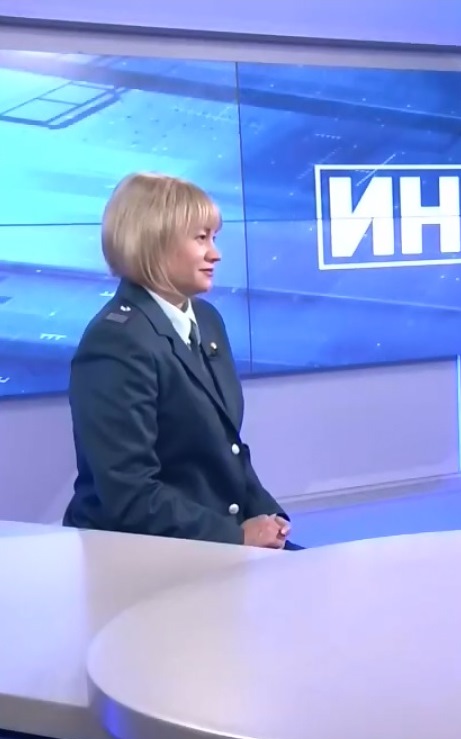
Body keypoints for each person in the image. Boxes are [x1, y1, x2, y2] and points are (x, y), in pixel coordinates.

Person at [63, 172, 299, 549]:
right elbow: (129, 494)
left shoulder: (206, 319)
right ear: (155, 241)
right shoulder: (116, 342)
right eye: (201, 238)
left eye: (214, 238)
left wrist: (270, 517)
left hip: (212, 538)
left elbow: (227, 451)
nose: (215, 254)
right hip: (142, 552)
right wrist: (237, 536)